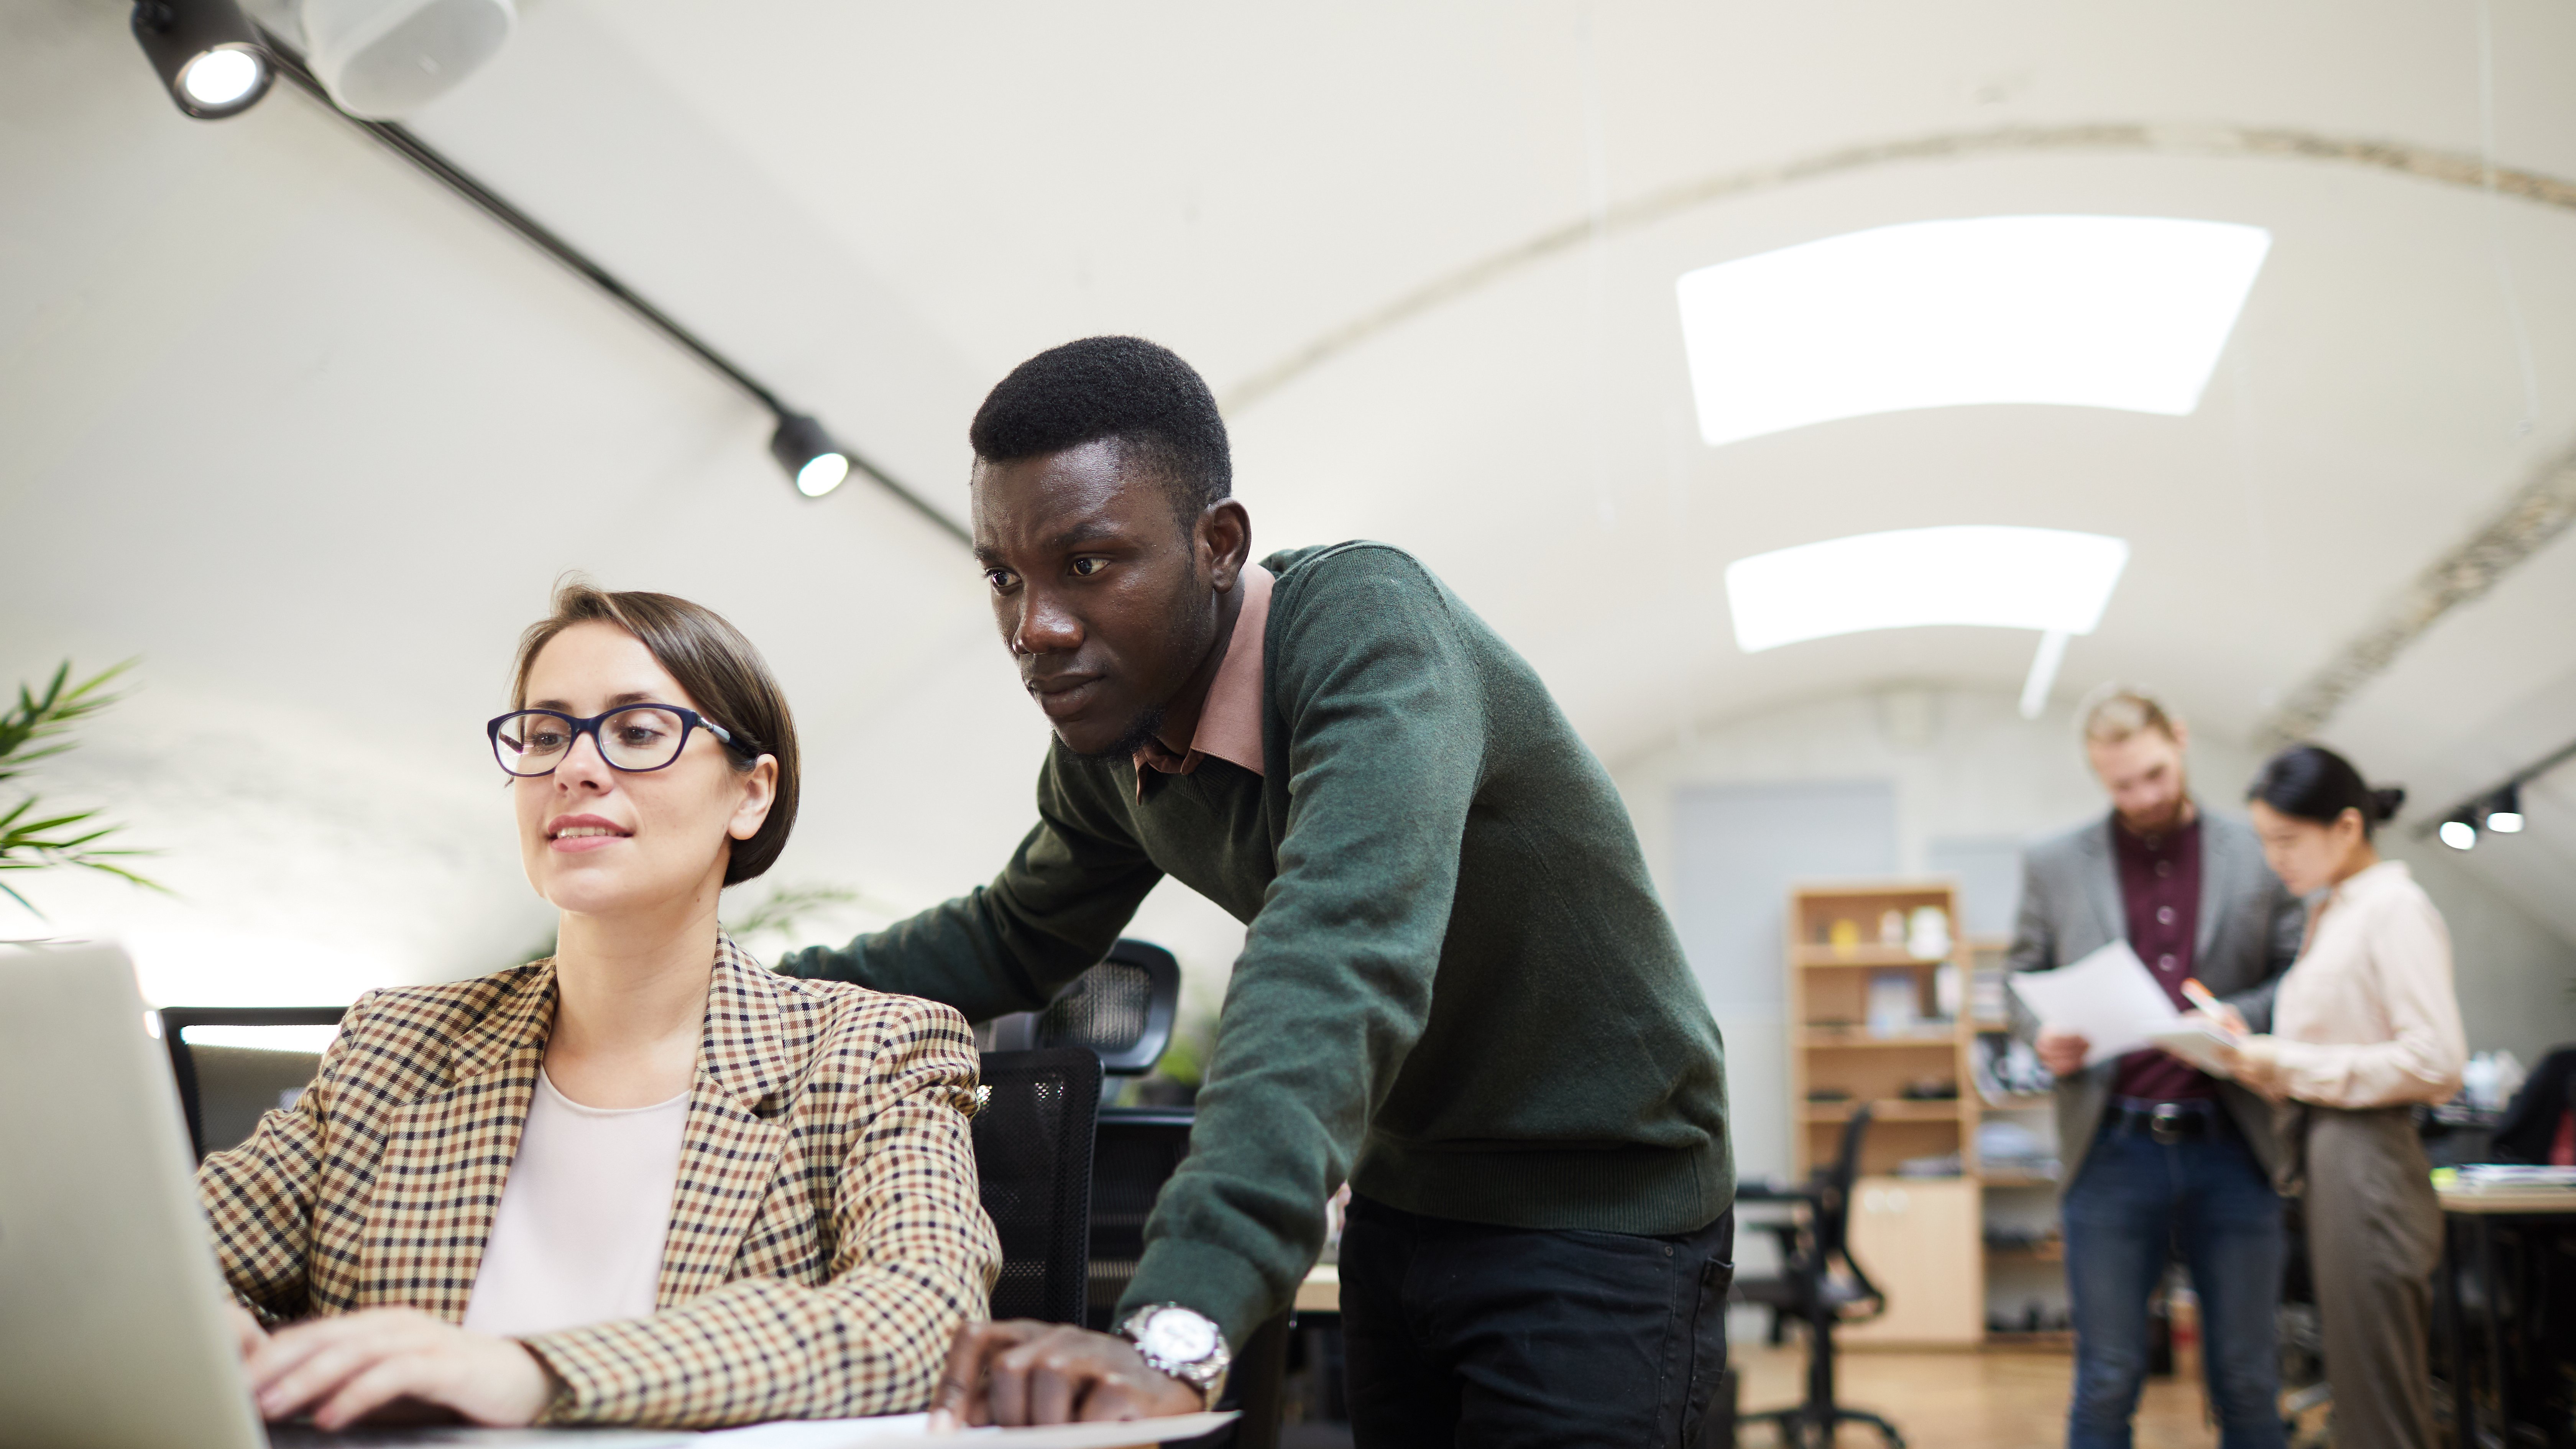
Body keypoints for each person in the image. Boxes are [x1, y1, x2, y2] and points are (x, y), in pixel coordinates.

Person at [780, 336, 1734, 1442]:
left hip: (1601, 1206)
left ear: (1218, 544)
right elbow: (1009, 938)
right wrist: (729, 993)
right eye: (1005, 575)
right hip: (1405, 1199)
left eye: (1086, 563)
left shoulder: (1371, 633)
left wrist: (1175, 1327)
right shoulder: (1114, 750)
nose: (1033, 627)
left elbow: (1336, 951)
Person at [196, 583, 999, 1430]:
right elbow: (157, 1258)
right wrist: (203, 1322)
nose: (575, 768)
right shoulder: (398, 1046)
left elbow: (924, 1317)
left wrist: (533, 1370)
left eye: (638, 733)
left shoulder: (867, 1051)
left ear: (750, 793)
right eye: (545, 736)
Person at [2008, 685, 2304, 1449]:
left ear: (2180, 740)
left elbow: (2299, 973)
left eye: (2154, 776)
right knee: (2106, 1379)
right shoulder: (2053, 862)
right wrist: (2044, 1036)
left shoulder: (2258, 851)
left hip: (2234, 1146)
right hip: (2111, 1148)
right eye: (2120, 785)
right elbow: (2022, 981)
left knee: (2246, 1377)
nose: (2141, 798)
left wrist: (2245, 1017)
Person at [2224, 745, 2466, 1449]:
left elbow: (2437, 1061)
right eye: (2267, 842)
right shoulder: (2334, 912)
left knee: (2382, 1402)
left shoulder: (2394, 909)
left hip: (2370, 1161)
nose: (2276, 860)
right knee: (2361, 1393)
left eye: (2288, 841)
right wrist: (2253, 1049)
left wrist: (2287, 1063)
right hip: (2331, 1156)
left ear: (2348, 826)